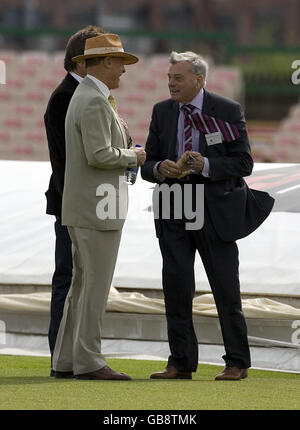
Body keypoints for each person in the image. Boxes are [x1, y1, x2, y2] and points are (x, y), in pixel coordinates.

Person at [141, 51, 274, 381]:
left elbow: (244, 164)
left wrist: (207, 165)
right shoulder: (162, 111)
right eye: (169, 77)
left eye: (178, 78)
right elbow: (146, 164)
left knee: (225, 288)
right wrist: (159, 167)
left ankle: (237, 362)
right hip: (174, 205)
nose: (171, 83)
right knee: (176, 286)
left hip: (215, 210)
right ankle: (180, 362)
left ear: (198, 80)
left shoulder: (227, 110)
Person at [52, 33, 146, 380]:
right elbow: (100, 155)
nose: (124, 69)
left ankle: (66, 359)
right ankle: (89, 360)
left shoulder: (90, 96)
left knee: (81, 286)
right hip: (98, 208)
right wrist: (133, 155)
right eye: (120, 62)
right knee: (94, 288)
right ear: (106, 62)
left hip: (90, 207)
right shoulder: (93, 100)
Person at [44, 25, 105, 374]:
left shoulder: (80, 94)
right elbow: (70, 162)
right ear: (81, 64)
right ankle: (62, 358)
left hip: (80, 203)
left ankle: (67, 357)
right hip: (74, 206)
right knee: (69, 280)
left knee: (76, 281)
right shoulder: (69, 97)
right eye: (100, 60)